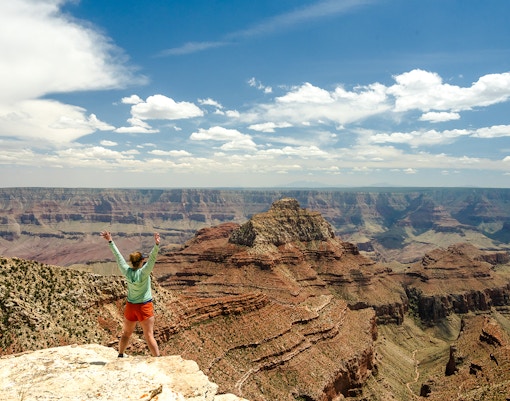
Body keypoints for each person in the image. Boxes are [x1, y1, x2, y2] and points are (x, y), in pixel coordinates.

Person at [100, 230, 161, 357]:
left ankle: (121, 354)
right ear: (141, 261)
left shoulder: (126, 271)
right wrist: (156, 245)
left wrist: (110, 241)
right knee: (149, 335)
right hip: (144, 307)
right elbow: (153, 259)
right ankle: (158, 360)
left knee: (126, 333)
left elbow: (118, 257)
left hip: (131, 307)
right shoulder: (144, 272)